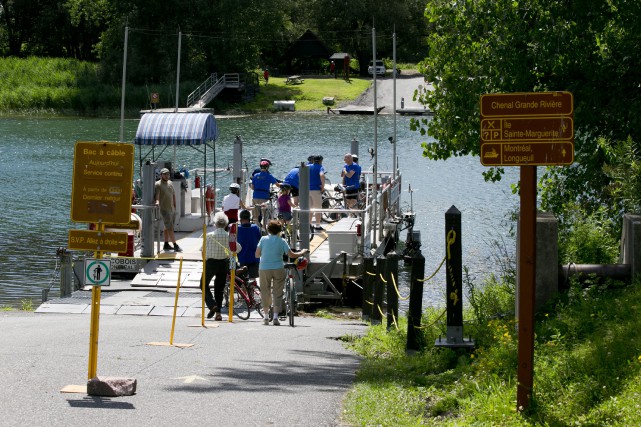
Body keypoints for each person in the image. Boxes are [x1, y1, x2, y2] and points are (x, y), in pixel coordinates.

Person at [255, 220, 308, 325]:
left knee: (265, 291)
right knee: (278, 292)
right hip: (278, 268)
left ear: (269, 230)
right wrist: (302, 252)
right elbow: (291, 255)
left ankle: (266, 317)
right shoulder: (282, 241)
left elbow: (257, 255)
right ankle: (275, 317)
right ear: (279, 231)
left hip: (264, 268)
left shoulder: (263, 239)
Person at [200, 212, 241, 321]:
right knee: (219, 288)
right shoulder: (229, 236)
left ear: (215, 223)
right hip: (224, 263)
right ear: (226, 224)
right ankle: (218, 313)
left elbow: (202, 250)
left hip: (211, 263)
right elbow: (238, 248)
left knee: (203, 284)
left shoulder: (209, 236)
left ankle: (212, 305)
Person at [154, 167, 181, 252]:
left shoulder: (170, 183)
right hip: (164, 209)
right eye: (165, 174)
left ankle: (166, 244)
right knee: (170, 228)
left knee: (167, 226)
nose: (167, 176)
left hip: (171, 209)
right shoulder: (158, 184)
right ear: (161, 175)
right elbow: (157, 196)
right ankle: (175, 245)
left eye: (168, 174)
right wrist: (157, 202)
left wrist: (175, 206)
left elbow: (173, 195)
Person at [251, 160, 280, 226]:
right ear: (267, 167)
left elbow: (252, 187)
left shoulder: (255, 175)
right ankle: (264, 228)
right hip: (264, 197)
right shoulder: (269, 176)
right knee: (264, 215)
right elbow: (277, 185)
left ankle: (257, 228)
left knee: (255, 215)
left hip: (255, 196)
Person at [236, 209, 262, 279]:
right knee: (252, 280)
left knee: (243, 280)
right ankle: (252, 289)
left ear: (240, 219)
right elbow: (260, 240)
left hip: (242, 258)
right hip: (254, 258)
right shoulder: (256, 228)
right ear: (249, 218)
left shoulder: (237, 228)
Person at [308, 155, 325, 231]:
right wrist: (323, 186)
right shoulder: (320, 167)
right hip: (316, 190)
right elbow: (322, 175)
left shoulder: (307, 166)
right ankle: (317, 225)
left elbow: (299, 175)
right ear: (321, 161)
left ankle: (309, 224)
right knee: (318, 208)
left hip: (307, 190)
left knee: (309, 208)